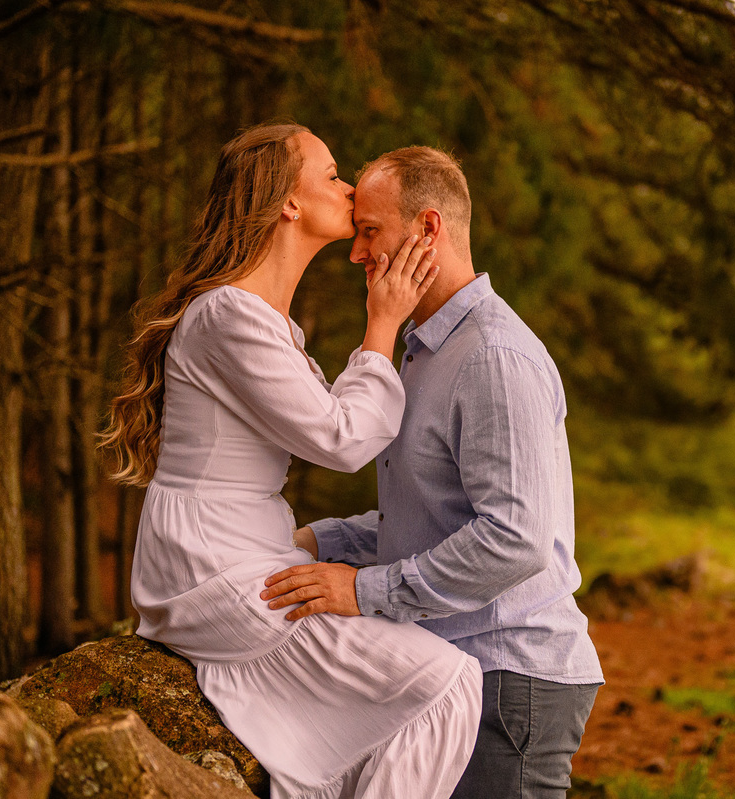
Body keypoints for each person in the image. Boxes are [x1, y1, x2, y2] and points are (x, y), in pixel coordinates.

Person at [101, 124, 482, 799]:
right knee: (448, 681)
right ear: (288, 202)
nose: (348, 188)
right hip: (209, 568)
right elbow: (342, 439)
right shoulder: (228, 315)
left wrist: (310, 541)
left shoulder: (260, 319)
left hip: (239, 554)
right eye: (332, 174)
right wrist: (382, 324)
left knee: (396, 713)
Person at [261, 147, 604, 799]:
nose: (356, 253)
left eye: (370, 231)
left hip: (509, 680)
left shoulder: (493, 356)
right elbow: (435, 519)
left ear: (427, 228)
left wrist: (364, 590)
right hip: (458, 675)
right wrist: (321, 542)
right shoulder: (427, 352)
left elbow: (515, 539)